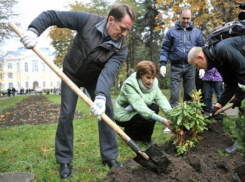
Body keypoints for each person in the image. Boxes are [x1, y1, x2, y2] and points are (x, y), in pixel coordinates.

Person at [20, 4, 135, 180]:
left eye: (128, 30)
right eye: (122, 28)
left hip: (95, 78)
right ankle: (64, 160)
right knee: (66, 113)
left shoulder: (121, 48)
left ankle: (110, 157)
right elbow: (52, 16)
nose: (125, 34)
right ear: (111, 20)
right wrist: (34, 30)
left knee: (107, 111)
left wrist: (101, 97)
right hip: (71, 75)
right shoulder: (87, 21)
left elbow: (108, 73)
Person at [188, 35, 245, 154]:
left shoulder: (222, 49)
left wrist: (239, 96)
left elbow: (243, 70)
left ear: (200, 57)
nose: (198, 69)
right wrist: (218, 105)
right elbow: (231, 85)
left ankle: (240, 145)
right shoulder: (217, 61)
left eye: (196, 65)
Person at [114, 61, 173, 145]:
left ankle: (146, 139)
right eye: (148, 77)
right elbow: (141, 108)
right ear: (140, 75)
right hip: (125, 114)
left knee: (154, 108)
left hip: (139, 111)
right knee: (145, 115)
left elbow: (161, 99)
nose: (151, 81)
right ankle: (130, 134)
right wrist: (163, 121)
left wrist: (173, 116)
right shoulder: (129, 84)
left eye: (153, 78)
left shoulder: (154, 83)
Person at [159, 7, 204, 108]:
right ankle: (173, 120)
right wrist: (163, 64)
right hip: (176, 67)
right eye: (184, 18)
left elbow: (201, 50)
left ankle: (188, 120)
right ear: (179, 17)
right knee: (174, 95)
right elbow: (165, 48)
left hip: (190, 67)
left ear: (191, 18)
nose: (186, 21)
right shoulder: (171, 32)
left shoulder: (197, 33)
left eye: (188, 18)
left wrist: (201, 67)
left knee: (189, 95)